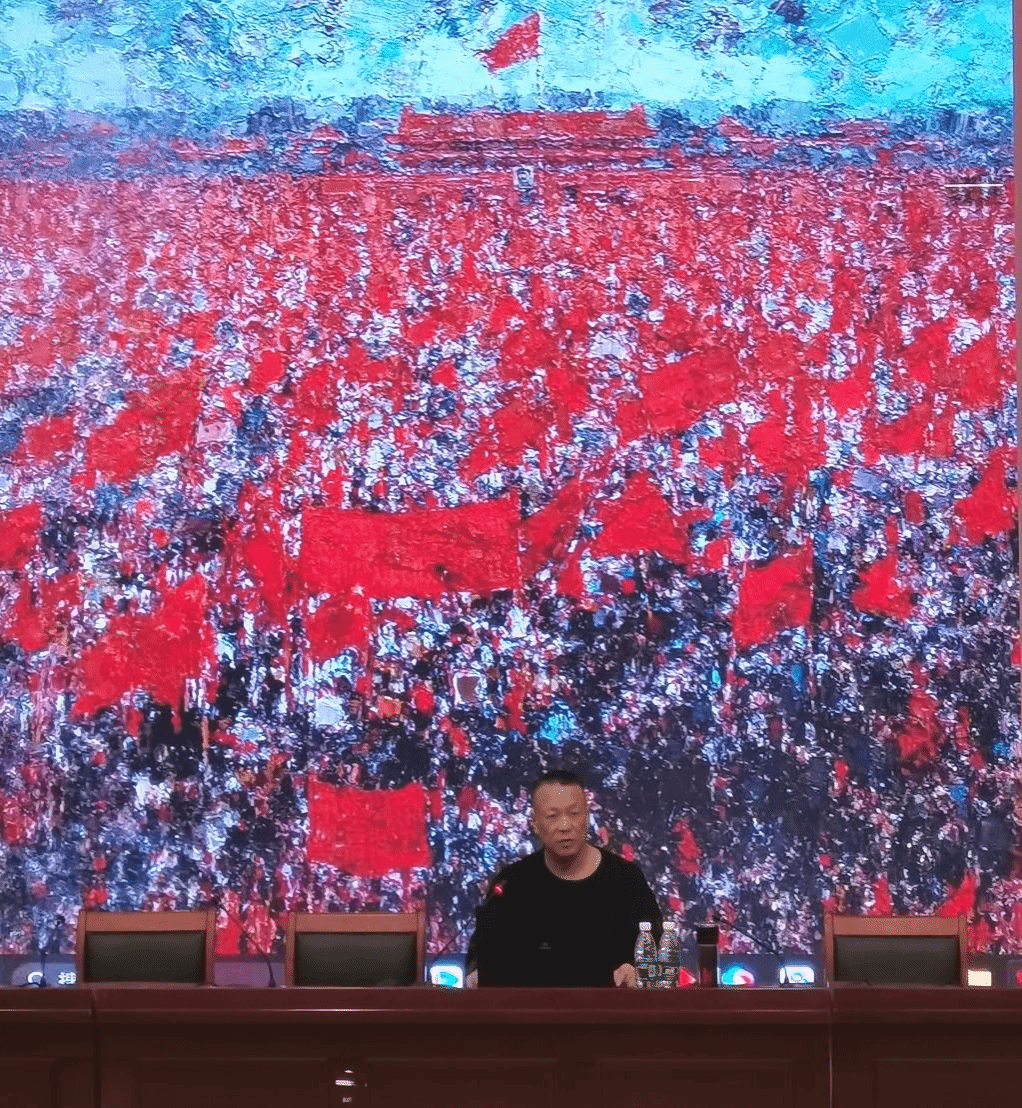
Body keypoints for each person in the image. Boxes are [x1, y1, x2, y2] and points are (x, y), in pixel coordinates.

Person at [466, 769, 663, 987]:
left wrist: (635, 969)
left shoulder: (625, 878)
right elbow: (482, 955)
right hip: (532, 1006)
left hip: (611, 1006)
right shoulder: (512, 883)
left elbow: (656, 950)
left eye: (574, 814)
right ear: (535, 823)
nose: (565, 826)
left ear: (587, 818)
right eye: (552, 816)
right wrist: (477, 973)